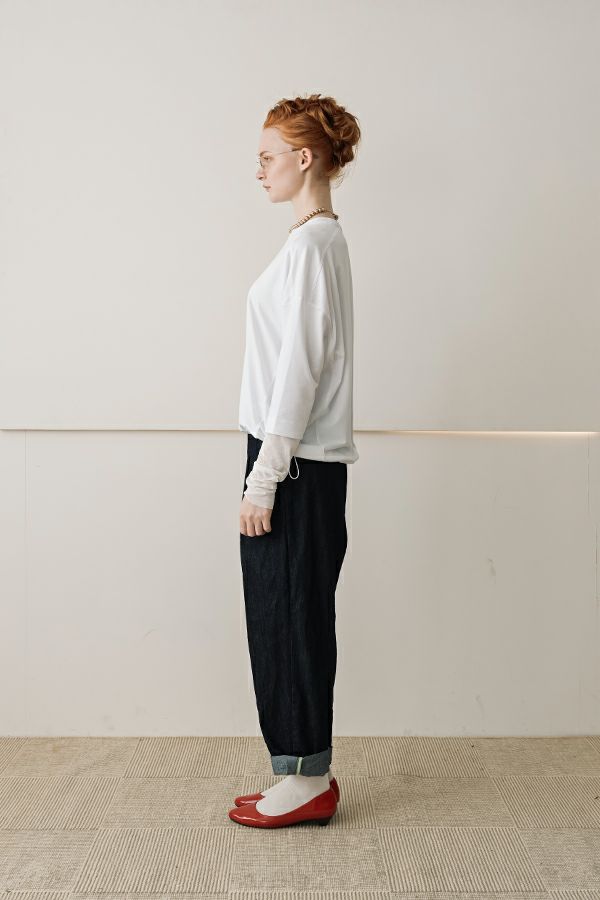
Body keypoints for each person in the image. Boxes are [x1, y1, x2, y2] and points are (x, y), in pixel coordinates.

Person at [230, 93, 361, 828]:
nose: (259, 170)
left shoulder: (313, 247)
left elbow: (298, 375)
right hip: (294, 458)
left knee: (290, 619)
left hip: (295, 463)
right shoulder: (314, 241)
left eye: (267, 156)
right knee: (282, 617)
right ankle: (299, 770)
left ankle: (308, 780)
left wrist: (263, 479)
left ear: (304, 158)